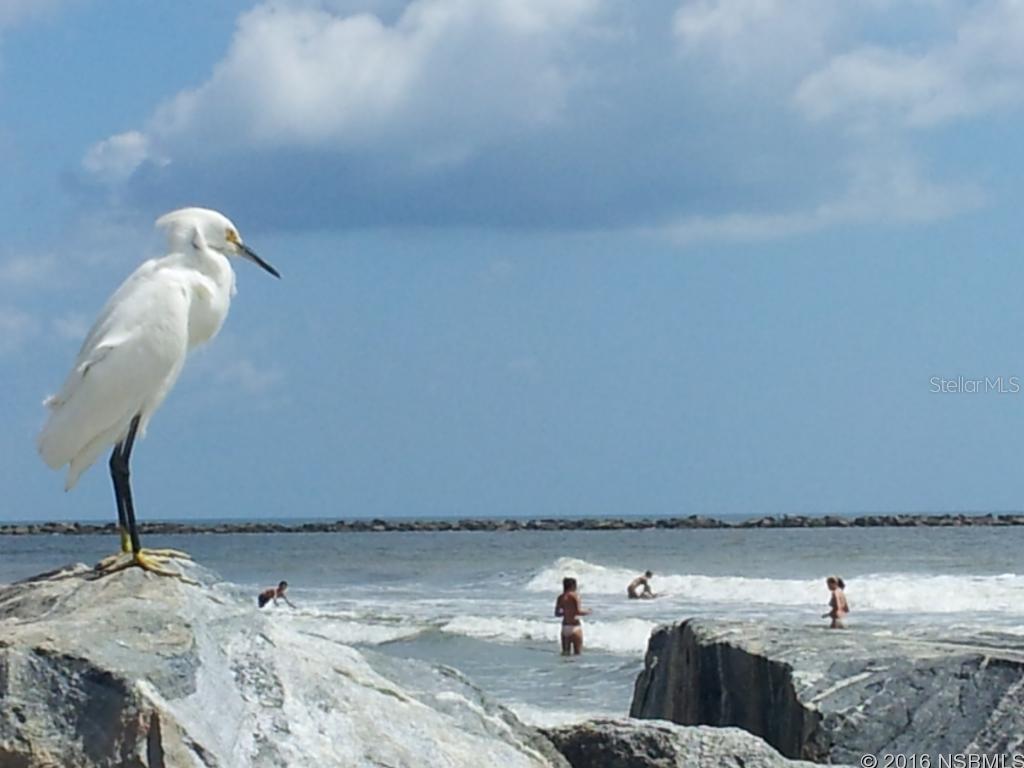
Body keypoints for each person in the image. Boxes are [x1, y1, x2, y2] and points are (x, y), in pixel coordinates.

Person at [554, 577, 590, 655]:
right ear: (573, 586)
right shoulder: (575, 596)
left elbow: (557, 614)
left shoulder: (560, 597)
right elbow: (578, 611)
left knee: (565, 654)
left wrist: (566, 613)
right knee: (577, 654)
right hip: (575, 627)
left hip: (565, 627)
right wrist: (588, 612)